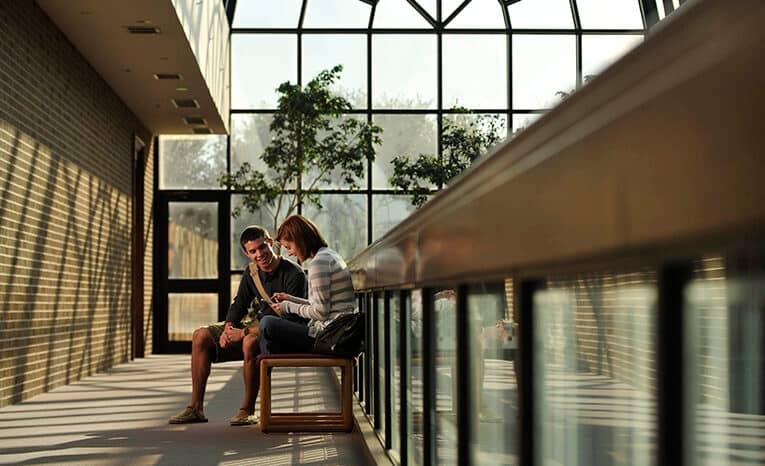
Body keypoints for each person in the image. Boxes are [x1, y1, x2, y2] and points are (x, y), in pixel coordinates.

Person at [168, 225, 307, 426]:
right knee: (201, 335)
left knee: (250, 341)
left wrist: (242, 333)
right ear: (246, 253)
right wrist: (228, 328)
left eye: (262, 247)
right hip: (254, 326)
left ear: (270, 243)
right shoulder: (251, 273)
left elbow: (288, 319)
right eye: (253, 251)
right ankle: (196, 408)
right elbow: (240, 303)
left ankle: (247, 410)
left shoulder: (294, 274)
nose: (259, 254)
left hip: (281, 333)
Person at [260, 214, 355, 355]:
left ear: (300, 240)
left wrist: (287, 306)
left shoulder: (318, 263)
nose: (290, 253)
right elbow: (320, 305)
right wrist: (290, 298)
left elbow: (320, 313)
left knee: (267, 323)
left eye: (289, 247)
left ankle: (265, 368)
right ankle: (266, 365)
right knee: (269, 330)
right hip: (337, 331)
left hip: (328, 335)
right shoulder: (328, 255)